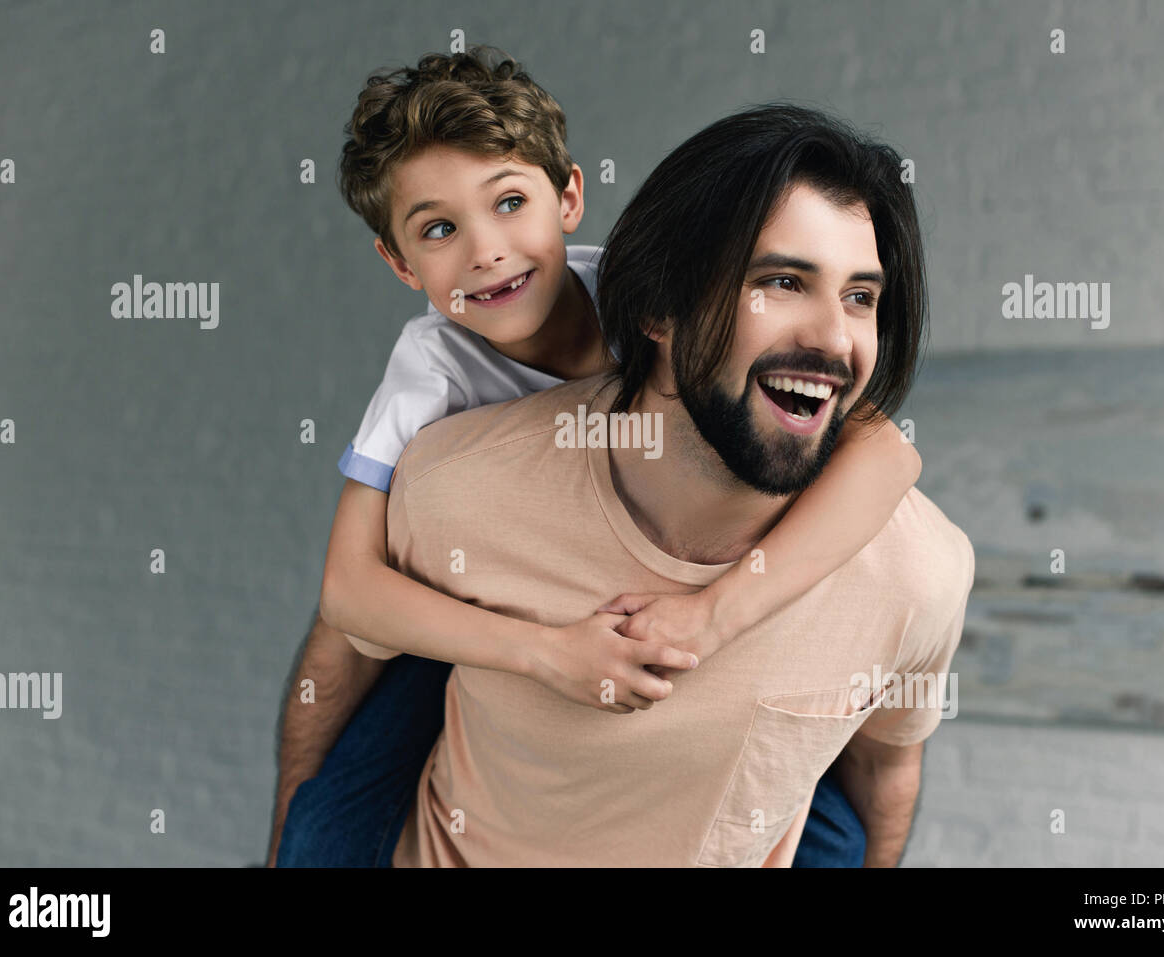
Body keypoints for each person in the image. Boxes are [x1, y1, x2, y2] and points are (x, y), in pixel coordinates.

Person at [270, 47, 924, 867]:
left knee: (815, 804)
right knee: (327, 825)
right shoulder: (428, 372)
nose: (486, 250)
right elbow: (351, 591)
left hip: (674, 595)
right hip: (478, 608)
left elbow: (885, 452)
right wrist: (542, 651)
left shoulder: (652, 299)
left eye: (511, 202)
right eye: (439, 229)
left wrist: (716, 610)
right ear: (400, 264)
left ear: (570, 196)